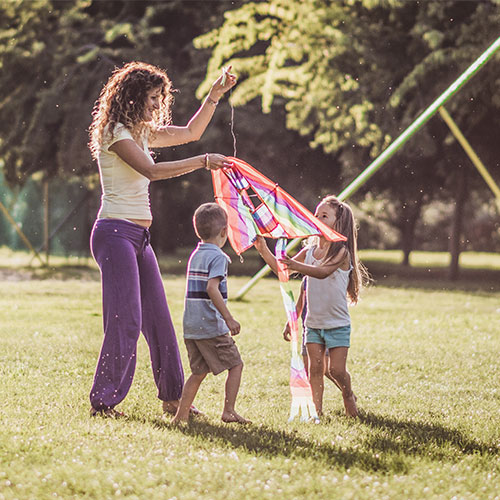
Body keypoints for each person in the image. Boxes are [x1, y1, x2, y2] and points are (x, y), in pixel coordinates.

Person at [87, 61, 237, 418]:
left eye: (160, 98)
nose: (157, 105)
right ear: (134, 97)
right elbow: (151, 171)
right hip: (113, 234)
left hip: (139, 237)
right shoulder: (115, 133)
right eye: (153, 98)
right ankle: (104, 402)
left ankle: (173, 398)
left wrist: (214, 96)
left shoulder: (142, 132)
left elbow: (190, 132)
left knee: (158, 320)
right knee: (126, 320)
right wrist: (202, 163)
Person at [255, 195, 369, 418]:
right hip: (313, 324)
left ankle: (347, 394)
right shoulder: (308, 252)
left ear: (339, 223)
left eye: (324, 216)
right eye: (316, 215)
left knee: (336, 370)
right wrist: (263, 249)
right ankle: (317, 412)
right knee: (314, 370)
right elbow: (283, 271)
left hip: (337, 324)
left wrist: (294, 263)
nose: (316, 219)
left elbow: (321, 272)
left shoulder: (341, 253)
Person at [172, 203, 250, 424]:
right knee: (236, 365)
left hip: (191, 326)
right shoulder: (219, 258)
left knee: (198, 372)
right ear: (225, 232)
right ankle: (229, 411)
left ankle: (181, 416)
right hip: (210, 326)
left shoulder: (195, 254)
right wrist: (229, 318)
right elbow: (211, 288)